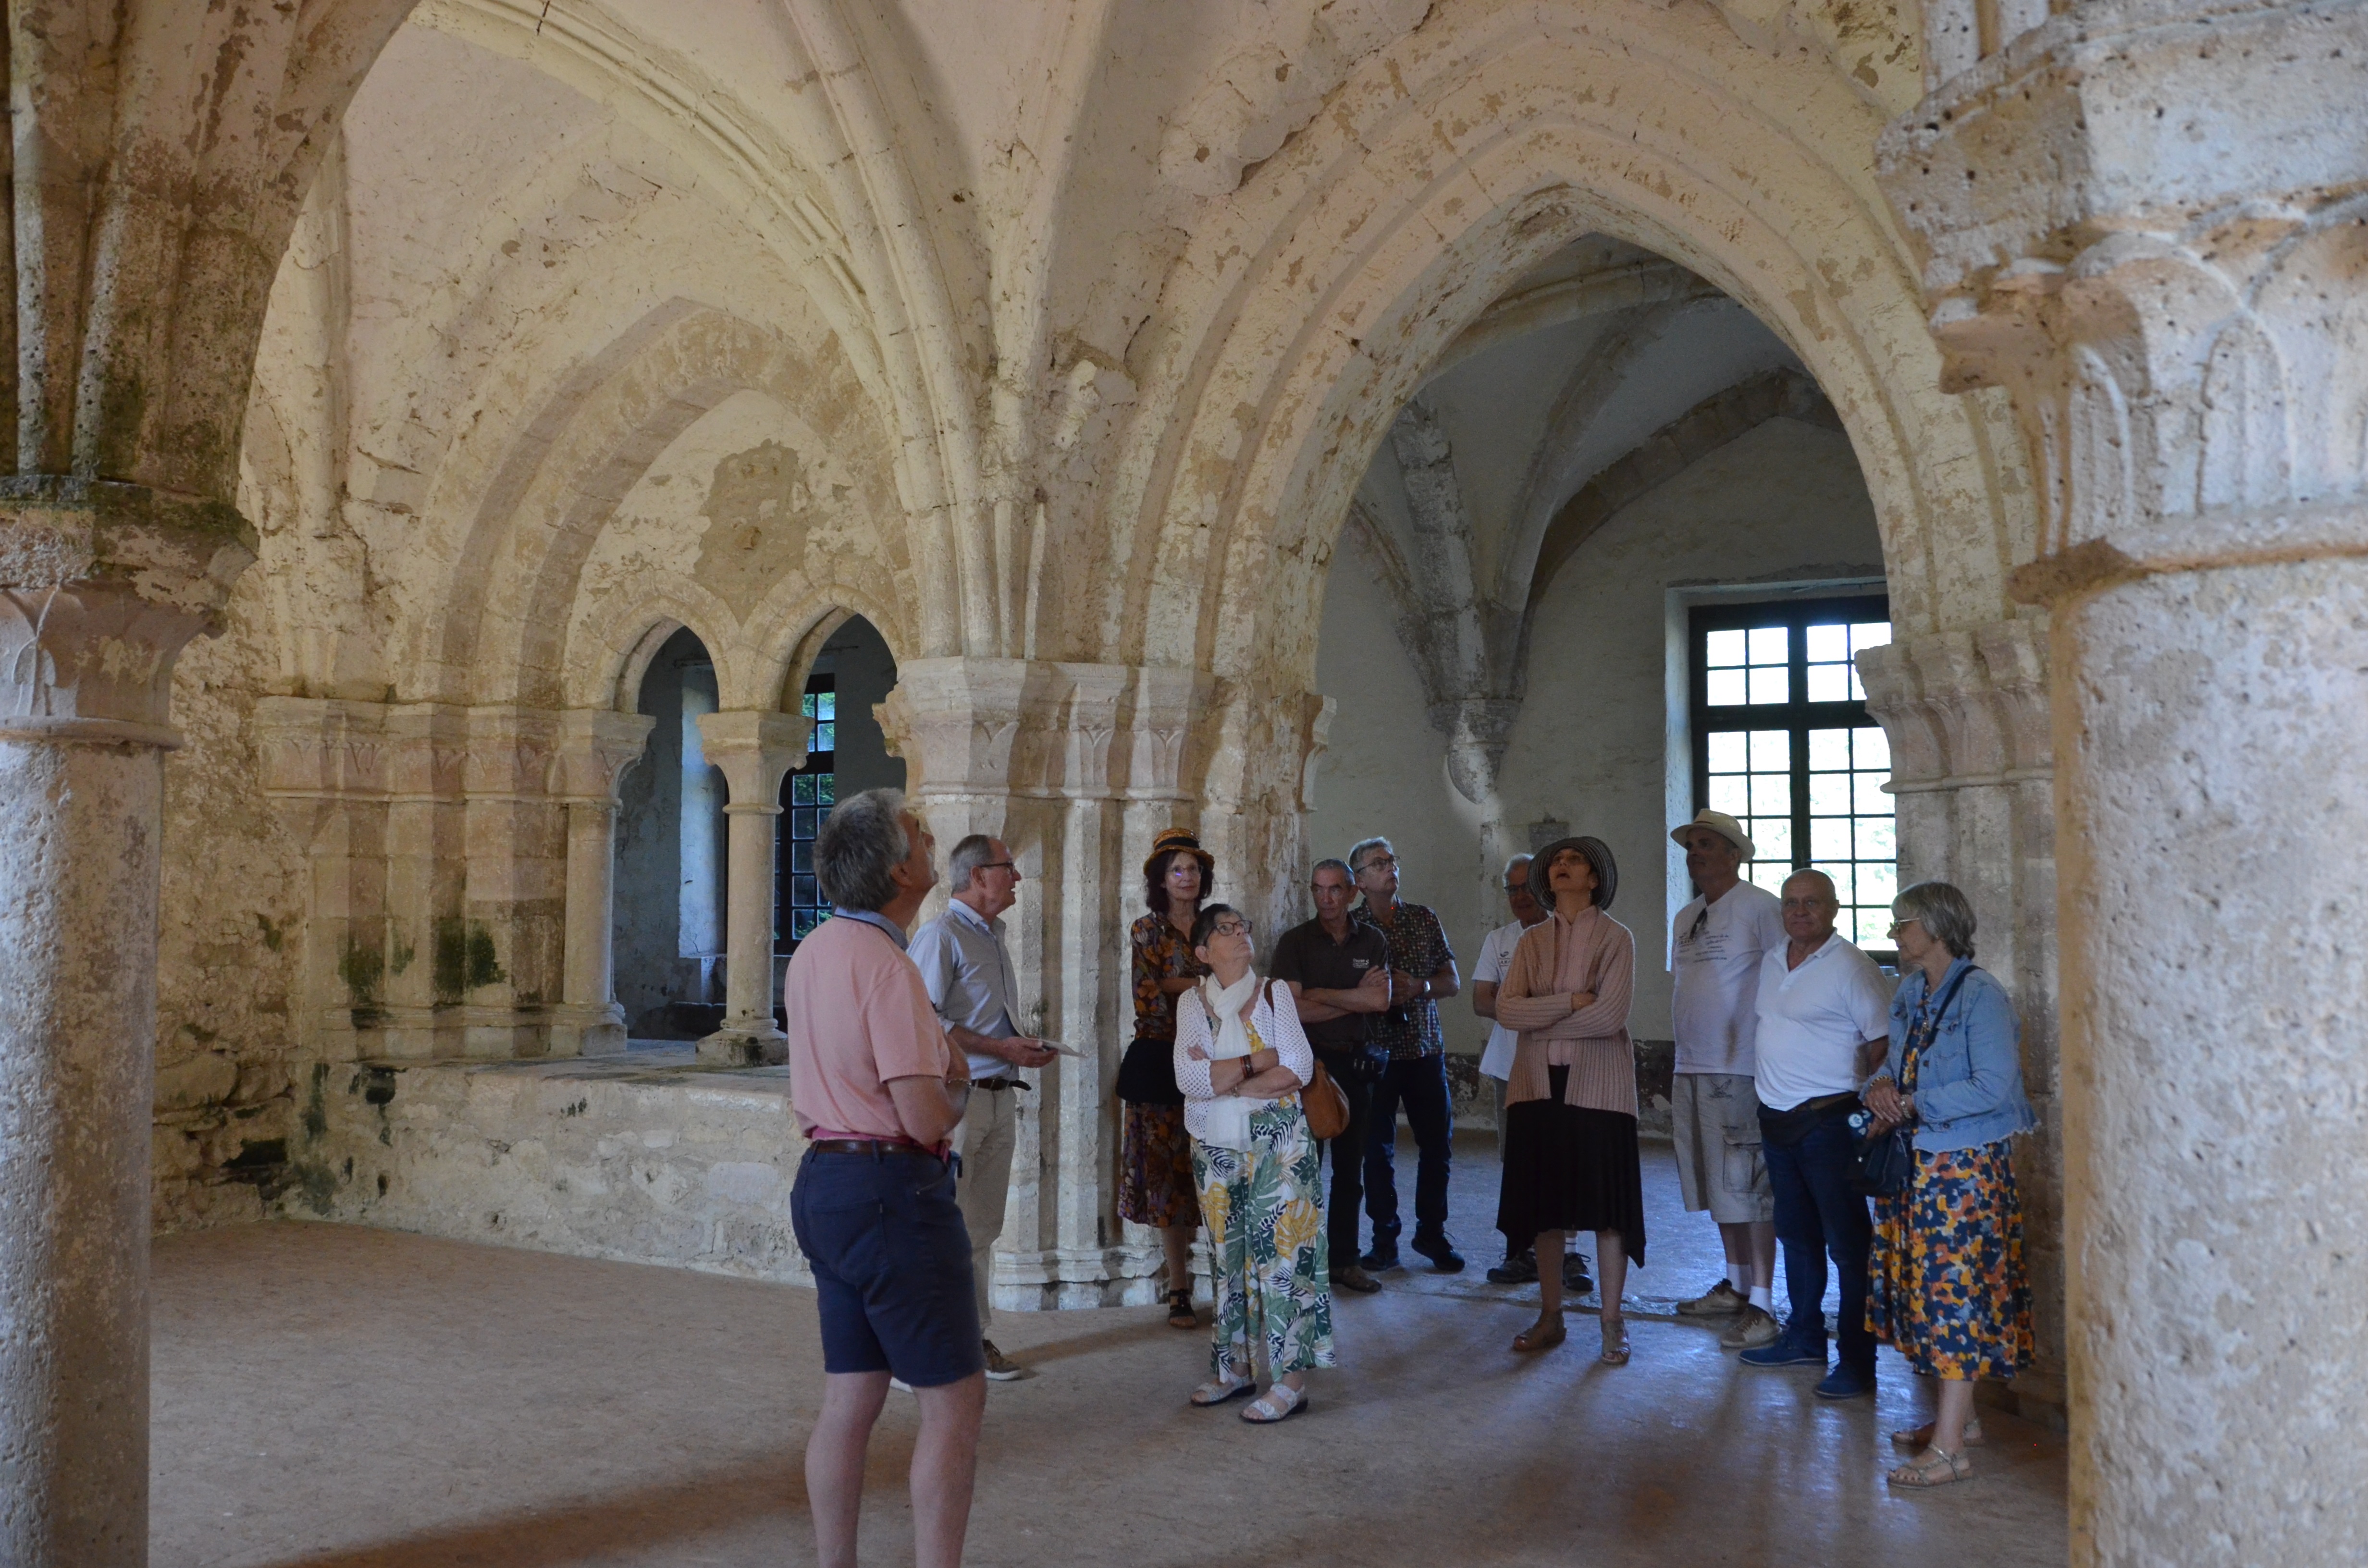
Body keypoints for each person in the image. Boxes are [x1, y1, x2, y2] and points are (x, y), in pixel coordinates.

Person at [782, 788, 982, 1568]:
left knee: (851, 1395)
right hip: (890, 1191)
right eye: (919, 834)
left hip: (824, 1184)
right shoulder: (887, 966)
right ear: (900, 870)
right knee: (955, 1400)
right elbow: (925, 1117)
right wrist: (959, 1084)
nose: (931, 840)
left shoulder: (814, 949)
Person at [1863, 882, 2038, 1488]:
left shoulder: (1980, 994)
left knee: (1951, 1300)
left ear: (1936, 927)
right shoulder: (1911, 990)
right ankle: (1958, 1422)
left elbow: (1992, 1085)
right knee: (1925, 1296)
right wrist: (1877, 1090)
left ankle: (1948, 1452)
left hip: (1962, 1171)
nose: (1894, 934)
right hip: (1919, 1166)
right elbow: (1893, 1066)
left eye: (1902, 923)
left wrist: (1912, 1104)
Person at [1738, 868, 1896, 1401]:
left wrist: (1866, 1102)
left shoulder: (1851, 966)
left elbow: (1881, 1044)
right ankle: (1804, 1338)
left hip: (1829, 1122)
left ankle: (1857, 1362)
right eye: (1790, 903)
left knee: (1847, 1246)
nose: (1799, 911)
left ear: (1833, 909)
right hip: (1777, 1121)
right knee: (1796, 1236)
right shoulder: (1771, 960)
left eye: (1811, 903)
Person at [908, 834, 1060, 1384]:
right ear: (977, 876)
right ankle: (920, 1346)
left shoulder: (992, 936)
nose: (1016, 877)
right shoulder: (940, 935)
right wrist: (1000, 1048)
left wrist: (1018, 1048)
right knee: (941, 1226)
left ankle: (971, 1338)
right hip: (959, 1099)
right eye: (1007, 868)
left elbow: (975, 1020)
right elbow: (923, 1020)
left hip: (999, 1094)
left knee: (981, 1228)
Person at [1174, 903, 1335, 1421]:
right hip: (1214, 1146)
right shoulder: (1191, 1004)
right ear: (1204, 952)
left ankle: (1291, 1383)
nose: (1241, 933)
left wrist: (1226, 1080)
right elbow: (1189, 1080)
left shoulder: (1273, 993)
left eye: (1243, 925)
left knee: (1285, 1259)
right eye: (1226, 929)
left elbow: (1298, 1067)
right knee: (1228, 1259)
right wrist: (1258, 1061)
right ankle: (1235, 1370)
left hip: (1280, 1142)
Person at [1492, 837, 1641, 1363]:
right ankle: (1550, 1315)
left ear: (1593, 879)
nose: (1562, 865)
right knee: (1544, 1210)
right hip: (1537, 1087)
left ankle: (1612, 1322)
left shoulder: (1617, 938)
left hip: (1599, 1090)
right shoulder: (1531, 940)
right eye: (1556, 861)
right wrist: (1572, 1002)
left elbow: (1611, 1016)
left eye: (1574, 861)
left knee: (1606, 1212)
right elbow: (1507, 1011)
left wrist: (1543, 1018)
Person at [1666, 810, 1788, 1349]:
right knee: (1718, 1187)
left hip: (1738, 1067)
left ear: (1734, 854)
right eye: (1691, 846)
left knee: (1747, 1186)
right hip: (1692, 1065)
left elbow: (1785, 979)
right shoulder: (1686, 915)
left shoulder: (1760, 907)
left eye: (1706, 845)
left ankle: (1763, 1303)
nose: (1695, 854)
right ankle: (1736, 1286)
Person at [1269, 858, 1392, 1293]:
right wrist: (1353, 997)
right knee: (1303, 1169)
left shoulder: (1372, 940)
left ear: (1352, 892)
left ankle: (1344, 1261)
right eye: (1319, 889)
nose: (1326, 898)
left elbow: (1380, 1002)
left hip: (1355, 1065)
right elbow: (1290, 1009)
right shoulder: (1296, 942)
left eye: (1335, 889)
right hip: (1307, 1065)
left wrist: (1321, 995)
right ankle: (1302, 1264)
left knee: (1350, 1171)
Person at [1346, 837, 1464, 1273]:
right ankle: (1384, 1239)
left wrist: (1419, 986)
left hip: (1423, 1049)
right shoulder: (1352, 928)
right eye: (1378, 863)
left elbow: (1452, 981)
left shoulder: (1423, 918)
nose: (1390, 868)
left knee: (1437, 1147)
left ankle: (1432, 1233)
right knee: (1376, 1152)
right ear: (1360, 881)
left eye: (1392, 860)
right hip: (1374, 1054)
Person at [1473, 855, 1585, 1291]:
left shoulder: (1566, 935)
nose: (1520, 896)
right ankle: (1519, 1251)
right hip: (1509, 1065)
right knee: (1518, 1163)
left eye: (1526, 887)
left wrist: (1520, 1006)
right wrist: (1542, 1007)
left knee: (1566, 1159)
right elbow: (1483, 1002)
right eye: (1512, 889)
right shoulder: (1499, 940)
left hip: (1561, 1063)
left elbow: (1579, 1002)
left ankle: (1570, 1254)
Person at [1120, 829, 1215, 1328]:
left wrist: (1193, 988)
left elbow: (1237, 986)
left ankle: (1227, 1284)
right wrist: (1205, 984)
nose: (1186, 877)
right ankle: (1179, 1287)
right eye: (1177, 869)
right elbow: (1149, 994)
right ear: (1161, 878)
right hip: (1161, 1057)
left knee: (1215, 1170)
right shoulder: (1146, 929)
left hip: (1215, 1057)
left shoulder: (1218, 925)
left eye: (1193, 869)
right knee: (1168, 1181)